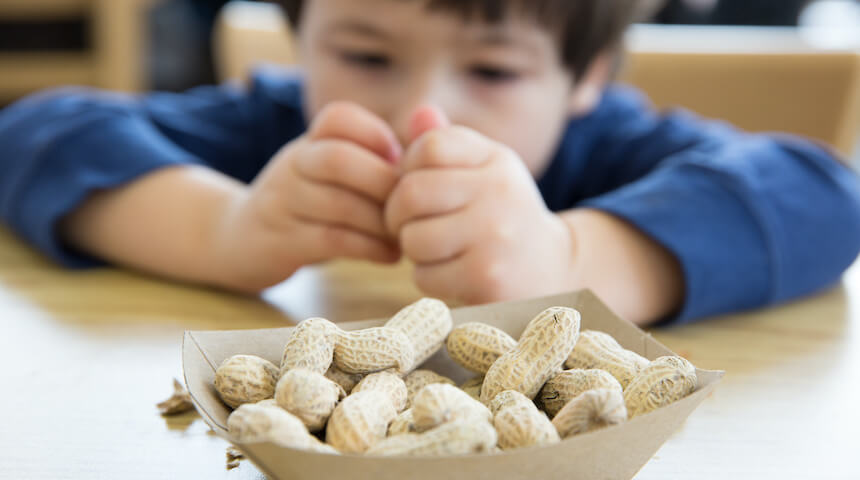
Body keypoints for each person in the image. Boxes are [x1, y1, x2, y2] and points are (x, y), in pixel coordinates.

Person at [0, 0, 858, 326]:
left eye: (493, 70)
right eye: (367, 56)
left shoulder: (615, 151)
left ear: (587, 77)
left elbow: (825, 194)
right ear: (300, 38)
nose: (425, 115)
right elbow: (39, 132)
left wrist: (570, 260)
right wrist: (221, 227)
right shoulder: (273, 129)